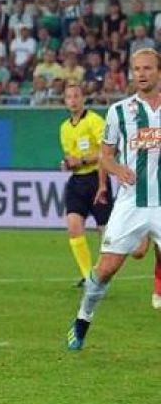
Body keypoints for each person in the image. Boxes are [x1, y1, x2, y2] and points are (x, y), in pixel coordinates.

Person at [69, 50, 161, 351]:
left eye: (147, 68)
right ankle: (82, 320)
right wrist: (118, 169)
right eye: (137, 69)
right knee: (106, 268)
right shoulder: (119, 111)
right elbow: (105, 156)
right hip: (131, 203)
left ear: (159, 71)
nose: (141, 74)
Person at [59, 82, 112, 286]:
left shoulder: (94, 121)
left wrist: (81, 160)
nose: (73, 100)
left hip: (97, 179)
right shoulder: (64, 128)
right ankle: (89, 277)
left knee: (105, 232)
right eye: (69, 97)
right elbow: (69, 155)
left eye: (76, 96)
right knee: (73, 226)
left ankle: (104, 273)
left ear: (83, 99)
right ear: (65, 101)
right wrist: (67, 163)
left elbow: (105, 151)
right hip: (77, 181)